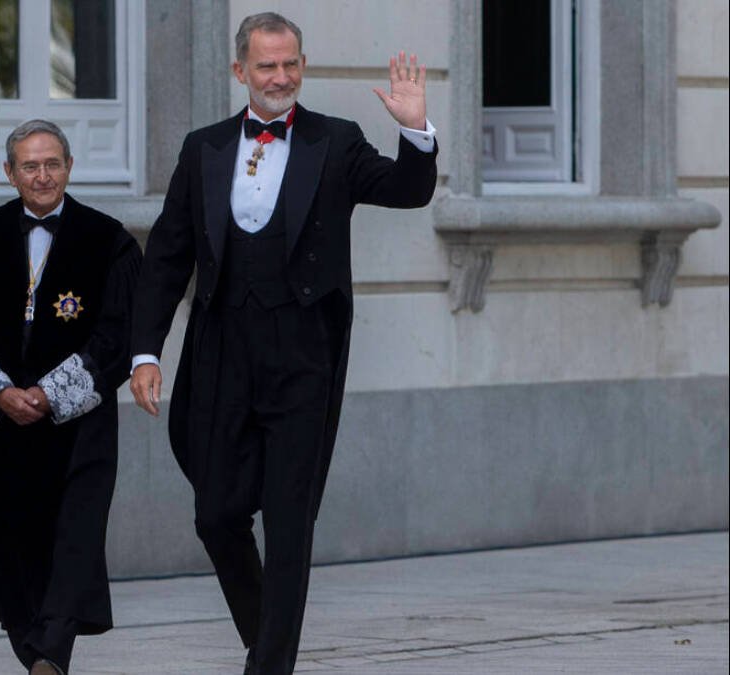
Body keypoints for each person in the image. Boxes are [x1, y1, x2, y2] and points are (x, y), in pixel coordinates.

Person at [128, 12, 438, 675]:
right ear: (241, 70)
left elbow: (408, 192)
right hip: (220, 350)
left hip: (302, 356)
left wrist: (414, 129)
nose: (281, 77)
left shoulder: (336, 141)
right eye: (267, 66)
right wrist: (146, 351)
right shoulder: (202, 148)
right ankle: (266, 634)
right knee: (215, 513)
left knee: (291, 520)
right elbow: (167, 257)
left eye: (291, 63)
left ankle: (269, 665)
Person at [0, 119, 141, 674]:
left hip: (80, 425)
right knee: (11, 546)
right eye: (30, 165)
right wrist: (0, 392)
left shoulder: (109, 241)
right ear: (10, 173)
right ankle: (37, 655)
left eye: (52, 164)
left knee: (73, 540)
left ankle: (51, 653)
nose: (42, 175)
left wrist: (51, 394)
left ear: (69, 168)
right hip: (2, 426)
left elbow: (119, 333)